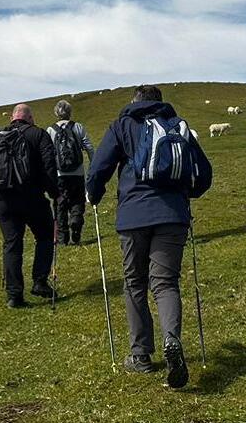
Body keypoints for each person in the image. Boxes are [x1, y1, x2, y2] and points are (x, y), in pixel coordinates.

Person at [86, 84, 213, 388]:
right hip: (173, 215)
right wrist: (187, 194)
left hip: (133, 215)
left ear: (135, 102)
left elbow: (99, 167)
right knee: (166, 283)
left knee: (134, 283)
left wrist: (94, 194)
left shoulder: (122, 125)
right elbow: (204, 173)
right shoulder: (178, 126)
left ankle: (140, 355)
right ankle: (172, 340)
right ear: (160, 103)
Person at [0, 104, 59, 307]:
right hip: (32, 197)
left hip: (4, 200)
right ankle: (40, 281)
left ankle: (14, 295)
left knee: (12, 244)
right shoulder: (38, 134)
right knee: (45, 236)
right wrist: (55, 193)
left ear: (12, 118)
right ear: (30, 118)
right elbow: (49, 165)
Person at [47, 99, 94, 246]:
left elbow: (47, 153)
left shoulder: (50, 130)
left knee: (60, 204)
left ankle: (62, 238)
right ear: (70, 112)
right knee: (78, 201)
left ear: (56, 113)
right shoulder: (78, 127)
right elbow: (89, 147)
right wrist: (93, 164)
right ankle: (76, 222)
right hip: (77, 173)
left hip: (59, 175)